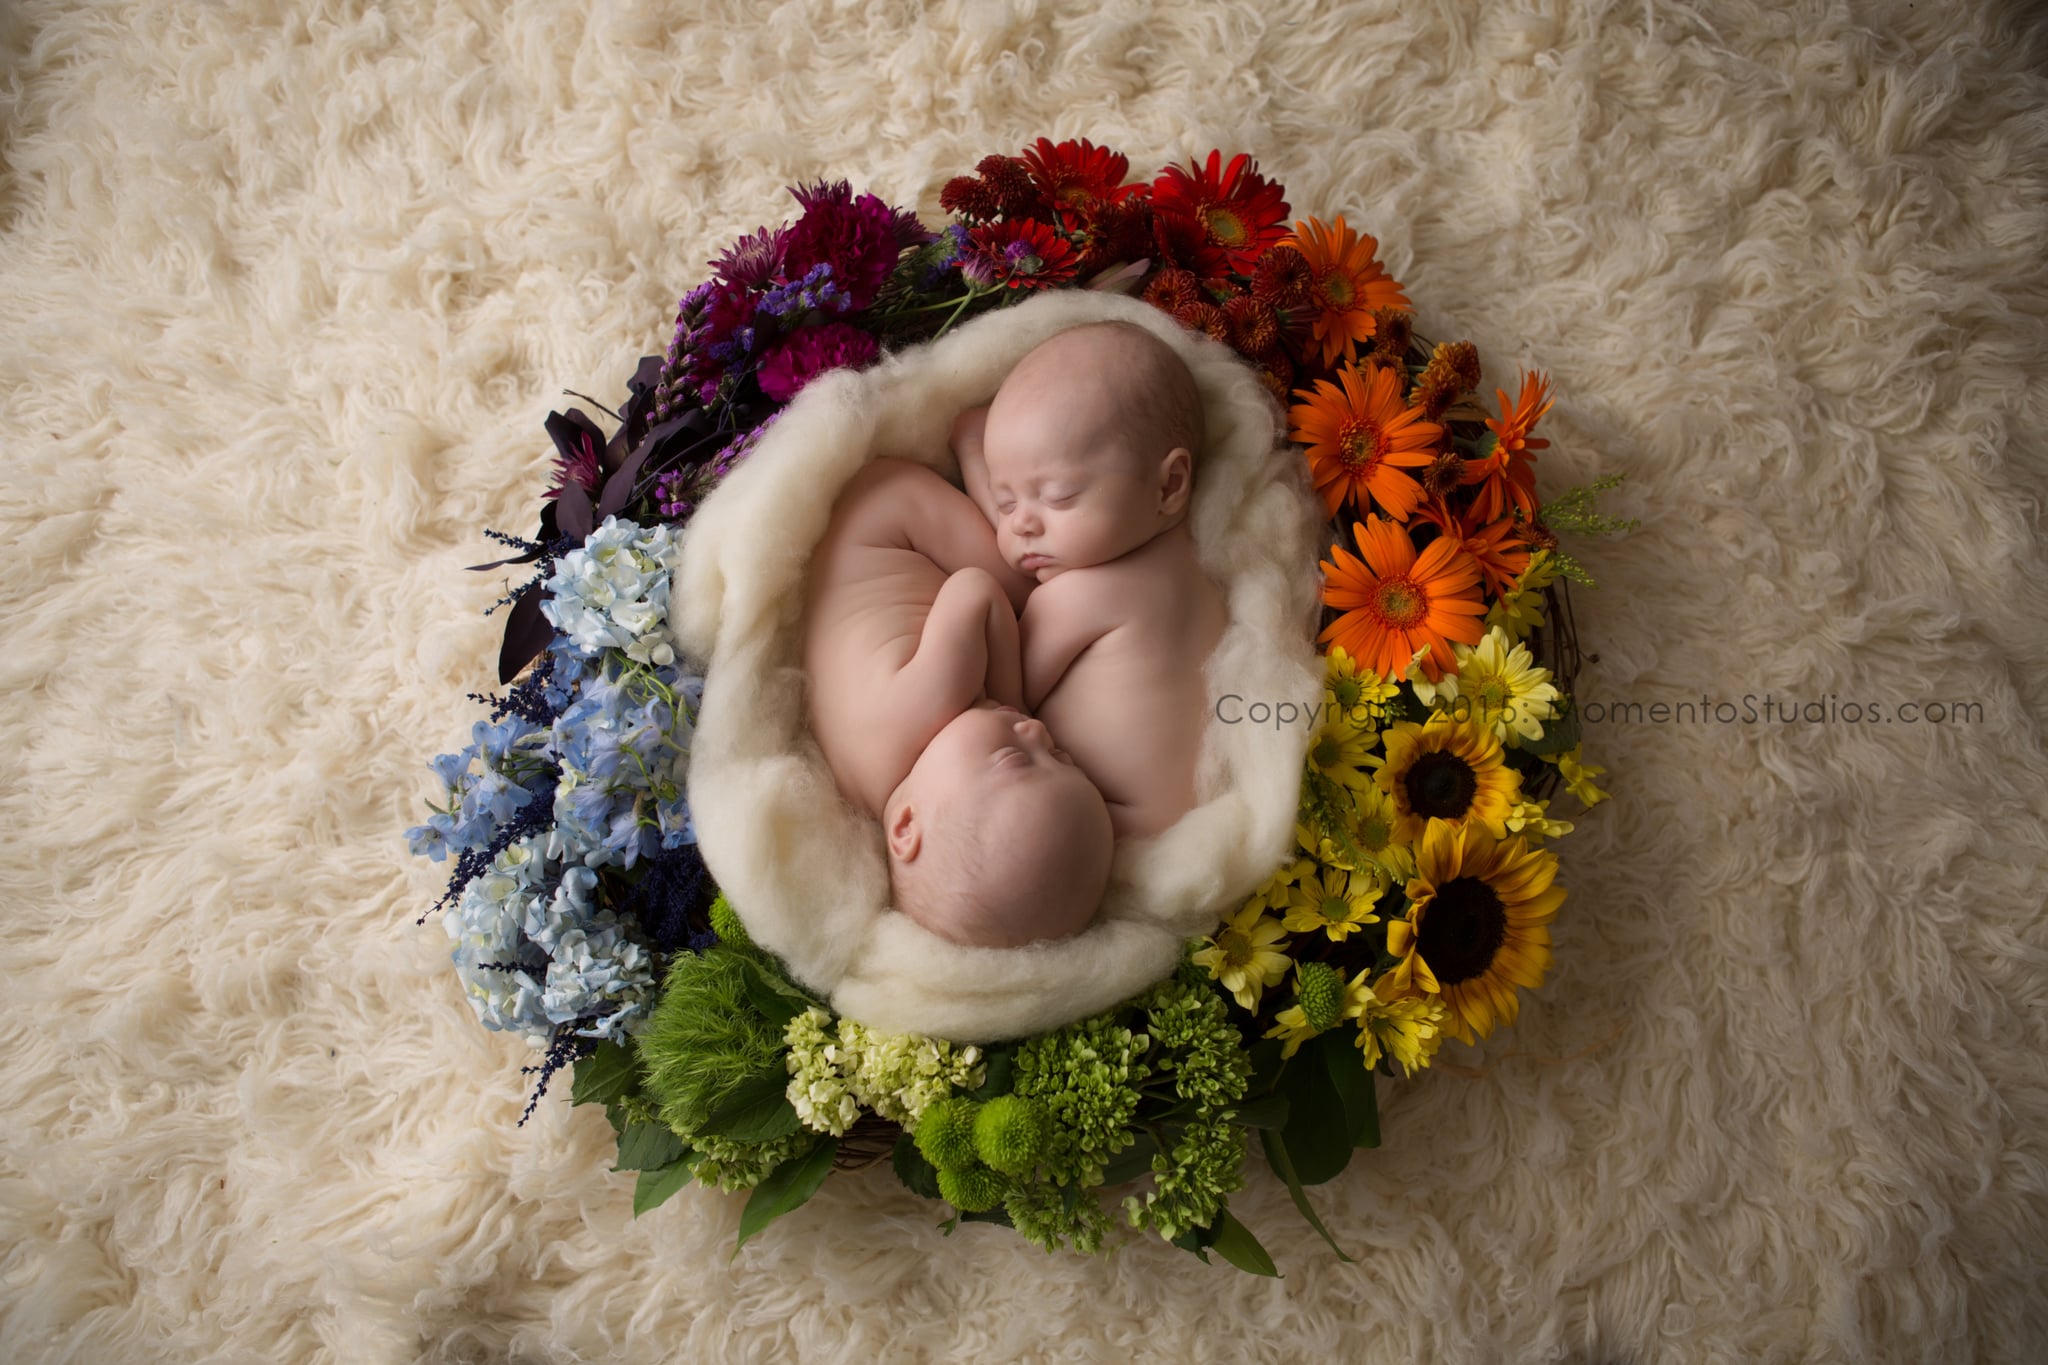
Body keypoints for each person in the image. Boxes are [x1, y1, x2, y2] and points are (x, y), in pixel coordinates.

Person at [801, 456, 1115, 948]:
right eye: (1060, 756)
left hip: (889, 513)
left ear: (906, 825)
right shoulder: (870, 795)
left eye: (1016, 758)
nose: (1038, 731)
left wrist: (1014, 697)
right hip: (852, 544)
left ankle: (974, 449)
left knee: (1032, 590)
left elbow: (975, 589)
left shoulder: (926, 708)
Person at [952, 321, 1228, 839]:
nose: (1021, 524)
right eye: (1005, 501)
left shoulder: (1080, 595)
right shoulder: (1194, 562)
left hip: (1101, 826)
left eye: (1058, 496)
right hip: (1185, 817)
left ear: (1169, 484)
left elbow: (1002, 696)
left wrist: (969, 452)